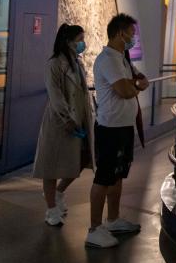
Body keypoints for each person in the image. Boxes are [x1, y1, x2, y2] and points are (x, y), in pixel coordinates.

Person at [86, 13, 149, 249]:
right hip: (110, 128)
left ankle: (112, 220)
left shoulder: (122, 59)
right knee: (104, 177)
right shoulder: (108, 60)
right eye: (131, 33)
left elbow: (141, 80)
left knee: (118, 175)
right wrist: (136, 86)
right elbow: (125, 90)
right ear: (120, 33)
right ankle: (94, 229)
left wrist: (135, 84)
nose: (134, 38)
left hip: (124, 126)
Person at [32, 23, 93, 227]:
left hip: (79, 119)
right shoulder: (54, 64)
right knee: (51, 166)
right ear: (68, 42)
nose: (83, 43)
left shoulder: (77, 62)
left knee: (81, 159)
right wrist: (66, 118)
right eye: (80, 40)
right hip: (59, 121)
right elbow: (55, 94)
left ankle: (59, 192)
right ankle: (51, 209)